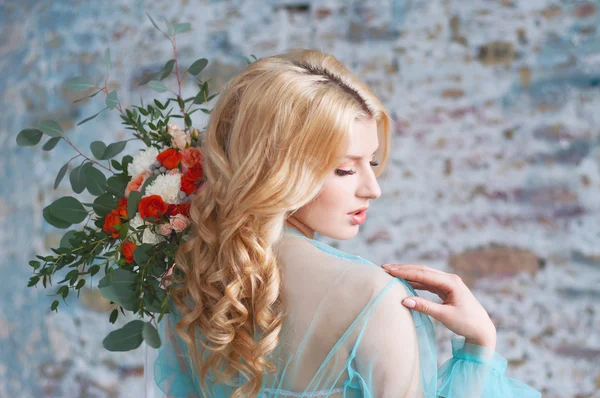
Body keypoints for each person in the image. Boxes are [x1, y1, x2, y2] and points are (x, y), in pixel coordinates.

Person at [146, 49, 542, 397]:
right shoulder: (377, 299)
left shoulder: (197, 278)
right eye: (343, 169)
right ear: (277, 169)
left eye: (370, 163)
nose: (373, 189)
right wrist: (479, 346)